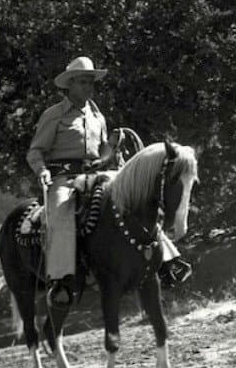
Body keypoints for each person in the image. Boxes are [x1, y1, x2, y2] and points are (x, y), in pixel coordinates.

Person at [26, 57, 190, 308]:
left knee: (135, 196)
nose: (88, 87)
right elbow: (35, 151)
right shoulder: (53, 115)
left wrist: (113, 144)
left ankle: (168, 259)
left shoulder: (96, 115)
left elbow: (102, 152)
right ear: (69, 84)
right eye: (83, 82)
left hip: (97, 173)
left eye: (91, 82)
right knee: (60, 213)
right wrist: (42, 171)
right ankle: (61, 281)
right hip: (64, 178)